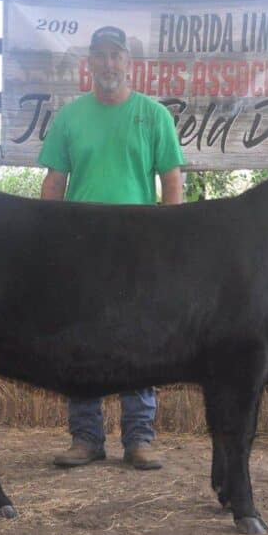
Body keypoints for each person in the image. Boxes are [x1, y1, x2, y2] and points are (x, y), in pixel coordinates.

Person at [38, 25, 185, 471]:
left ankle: (139, 437)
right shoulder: (69, 117)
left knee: (139, 339)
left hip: (138, 245)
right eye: (99, 55)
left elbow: (172, 181)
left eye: (115, 55)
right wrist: (47, 239)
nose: (107, 63)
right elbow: (54, 182)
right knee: (81, 339)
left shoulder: (154, 115)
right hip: (80, 246)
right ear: (89, 64)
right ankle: (85, 438)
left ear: (128, 63)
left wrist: (168, 236)